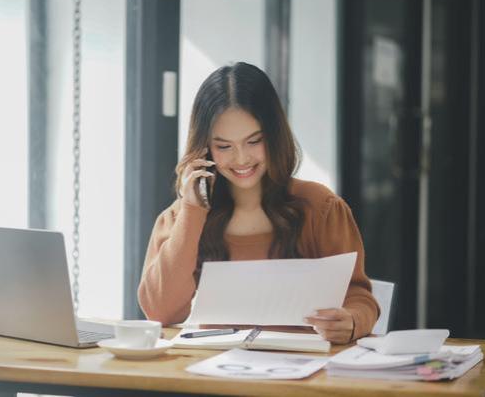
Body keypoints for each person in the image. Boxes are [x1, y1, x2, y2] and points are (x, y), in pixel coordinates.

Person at [137, 62, 379, 344]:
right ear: (204, 147)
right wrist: (193, 212)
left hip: (303, 374)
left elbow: (359, 297)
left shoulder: (320, 208)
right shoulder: (181, 218)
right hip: (214, 374)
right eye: (224, 146)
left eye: (254, 141)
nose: (241, 159)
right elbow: (160, 312)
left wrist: (350, 321)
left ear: (274, 136)